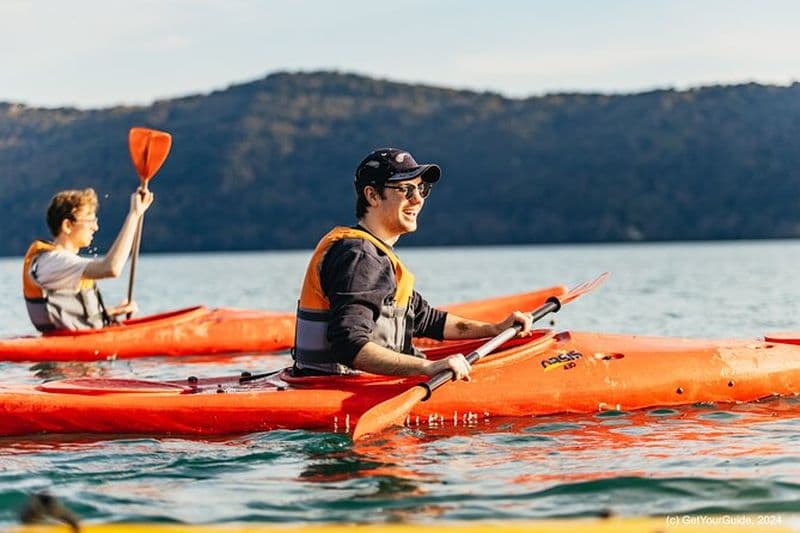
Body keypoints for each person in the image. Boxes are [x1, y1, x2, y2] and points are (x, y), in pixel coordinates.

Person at [293, 148, 532, 380]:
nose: (417, 199)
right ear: (372, 195)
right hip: (339, 388)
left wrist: (495, 329)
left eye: (421, 189)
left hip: (349, 381)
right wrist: (426, 367)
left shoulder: (372, 252)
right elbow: (349, 344)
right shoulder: (361, 256)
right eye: (405, 189)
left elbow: (425, 319)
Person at [22, 187, 154, 331]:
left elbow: (72, 318)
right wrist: (134, 215)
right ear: (67, 225)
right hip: (70, 345)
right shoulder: (56, 261)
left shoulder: (58, 262)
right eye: (90, 221)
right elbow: (111, 268)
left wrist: (112, 312)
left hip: (73, 339)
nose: (95, 227)